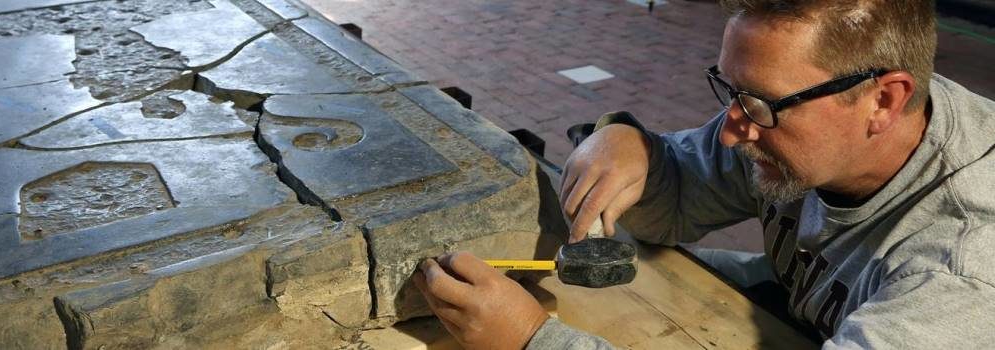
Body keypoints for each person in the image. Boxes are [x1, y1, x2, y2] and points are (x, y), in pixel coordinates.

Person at [412, 0, 995, 348]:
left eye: (762, 104)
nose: (732, 127)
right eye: (730, 90)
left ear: (885, 101)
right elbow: (677, 206)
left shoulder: (962, 276)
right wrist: (634, 149)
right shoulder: (812, 120)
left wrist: (532, 341)